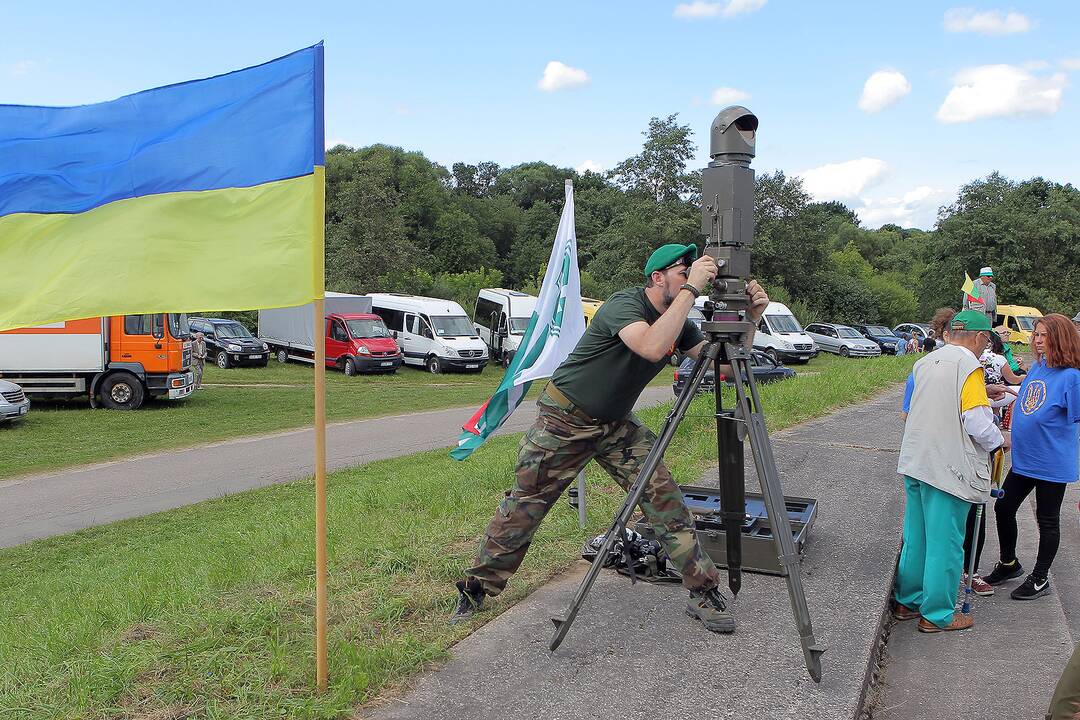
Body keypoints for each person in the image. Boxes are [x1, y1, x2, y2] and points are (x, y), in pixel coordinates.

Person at [451, 243, 770, 634]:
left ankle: (703, 591)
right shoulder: (624, 305)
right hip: (564, 420)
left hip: (617, 425)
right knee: (525, 507)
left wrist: (751, 319)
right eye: (683, 272)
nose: (692, 277)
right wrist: (691, 293)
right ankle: (476, 587)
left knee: (664, 498)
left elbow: (724, 364)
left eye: (693, 271)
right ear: (658, 278)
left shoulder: (679, 320)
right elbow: (651, 346)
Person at [893, 310, 1005, 632]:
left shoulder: (925, 362)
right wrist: (999, 439)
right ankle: (937, 614)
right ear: (979, 337)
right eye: (986, 341)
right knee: (946, 543)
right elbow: (975, 421)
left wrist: (985, 398)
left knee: (917, 537)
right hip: (947, 467)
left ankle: (907, 601)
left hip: (916, 460)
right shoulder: (969, 366)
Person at [983, 314, 1080, 600]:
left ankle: (1039, 578)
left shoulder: (1072, 377)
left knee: (1047, 520)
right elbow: (1028, 403)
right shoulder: (1038, 368)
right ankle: (1009, 563)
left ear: (1060, 338)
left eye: (1044, 335)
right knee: (1003, 508)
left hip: (1052, 462)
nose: (1037, 341)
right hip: (1025, 459)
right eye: (1035, 335)